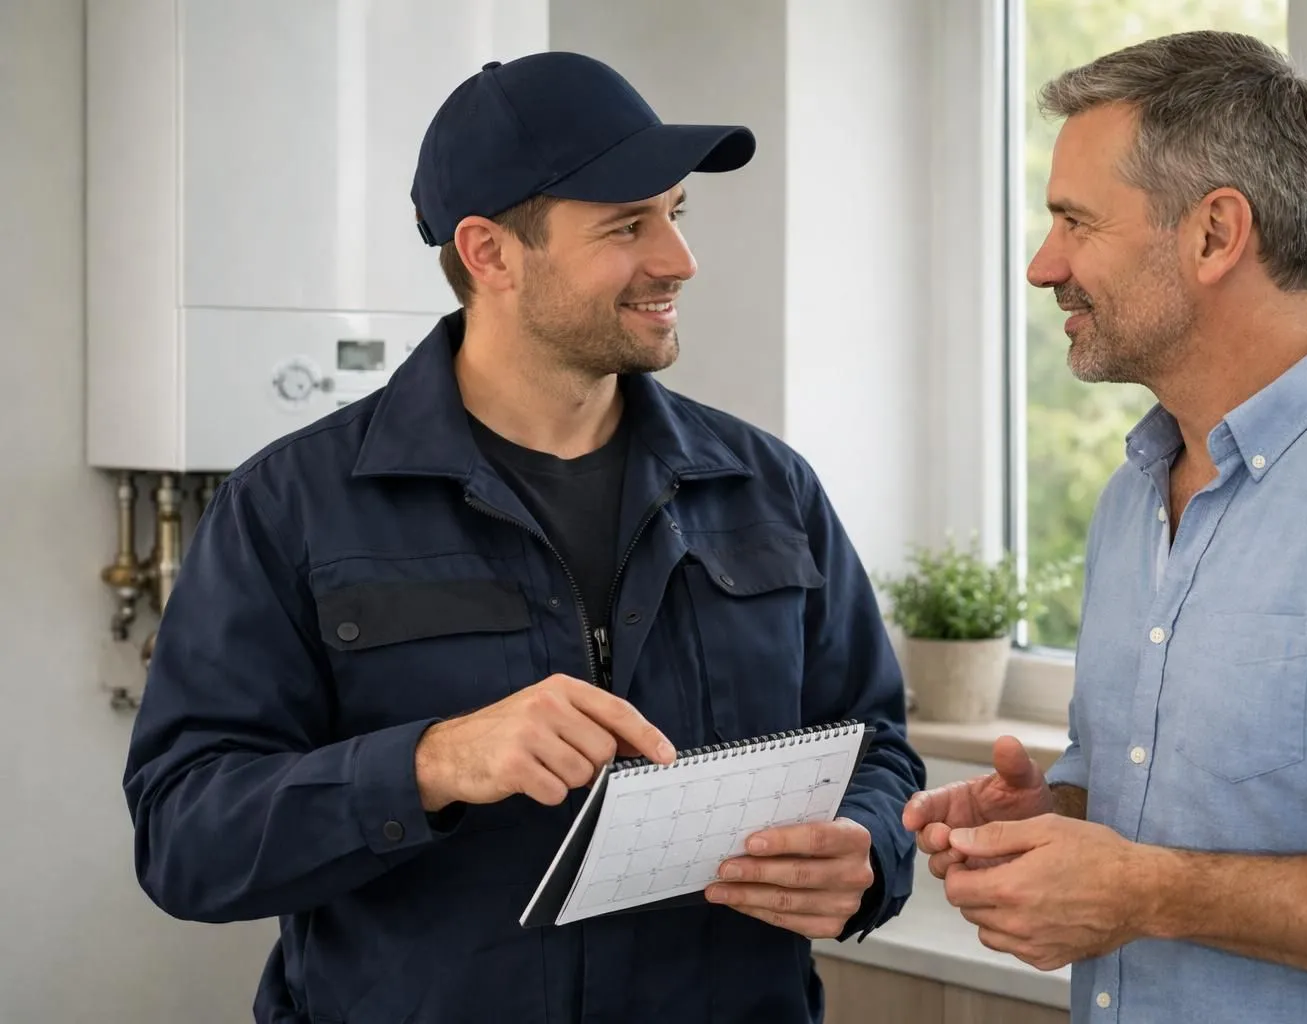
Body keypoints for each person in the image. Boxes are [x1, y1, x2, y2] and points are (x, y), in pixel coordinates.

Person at [123, 51, 923, 1024]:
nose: (678, 258)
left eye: (676, 212)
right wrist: (432, 762)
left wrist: (868, 850)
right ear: (491, 252)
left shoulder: (767, 489)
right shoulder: (290, 506)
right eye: (628, 225)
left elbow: (873, 742)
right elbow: (185, 837)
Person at [903, 29, 1307, 1023]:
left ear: (1213, 234)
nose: (1041, 265)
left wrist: (1151, 890)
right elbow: (1165, 804)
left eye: (1076, 221)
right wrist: (1052, 820)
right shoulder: (1132, 497)